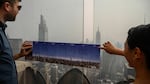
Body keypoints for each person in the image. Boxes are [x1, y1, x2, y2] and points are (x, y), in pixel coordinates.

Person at [0, 0, 32, 84]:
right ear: (7, 6)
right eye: (18, 7)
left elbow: (2, 61)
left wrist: (20, 55)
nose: (19, 11)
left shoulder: (2, 31)